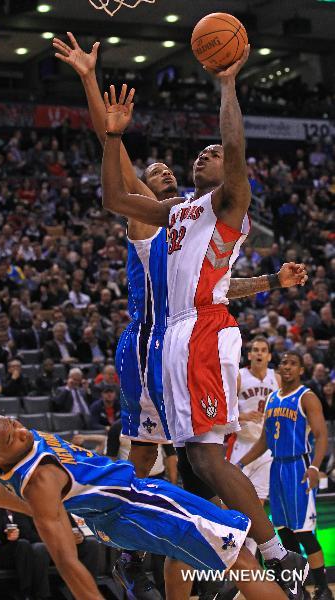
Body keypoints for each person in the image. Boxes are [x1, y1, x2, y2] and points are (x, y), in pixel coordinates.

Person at [54, 32, 308, 599]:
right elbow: (117, 198)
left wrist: (227, 85)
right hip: (168, 337)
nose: (202, 157)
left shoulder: (227, 205)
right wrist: (112, 136)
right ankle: (213, 553)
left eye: (208, 155)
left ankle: (270, 552)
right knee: (190, 461)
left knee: (198, 458)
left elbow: (235, 156)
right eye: (199, 153)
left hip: (198, 333)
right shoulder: (174, 211)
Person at [0, 414, 289, 600]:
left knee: (179, 557)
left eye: (13, 423)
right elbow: (67, 563)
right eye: (12, 439)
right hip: (137, 505)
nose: (22, 432)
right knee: (238, 557)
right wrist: (39, 509)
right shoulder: (40, 483)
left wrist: (33, 510)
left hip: (116, 518)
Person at [239, 352, 333, 600]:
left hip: (299, 467)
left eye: (293, 363)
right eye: (284, 364)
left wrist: (314, 467)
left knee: (303, 532)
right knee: (285, 533)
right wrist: (240, 463)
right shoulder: (271, 398)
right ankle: (297, 586)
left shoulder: (307, 397)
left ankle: (323, 588)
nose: (287, 367)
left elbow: (322, 435)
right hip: (277, 467)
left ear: (301, 369)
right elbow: (264, 441)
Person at [227, 337, 280, 559]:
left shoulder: (276, 378)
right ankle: (230, 556)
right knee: (232, 503)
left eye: (263, 350)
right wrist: (243, 415)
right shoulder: (239, 376)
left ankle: (249, 561)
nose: (259, 353)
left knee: (257, 506)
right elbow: (224, 409)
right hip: (241, 446)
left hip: (265, 449)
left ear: (268, 355)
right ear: (249, 355)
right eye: (255, 350)